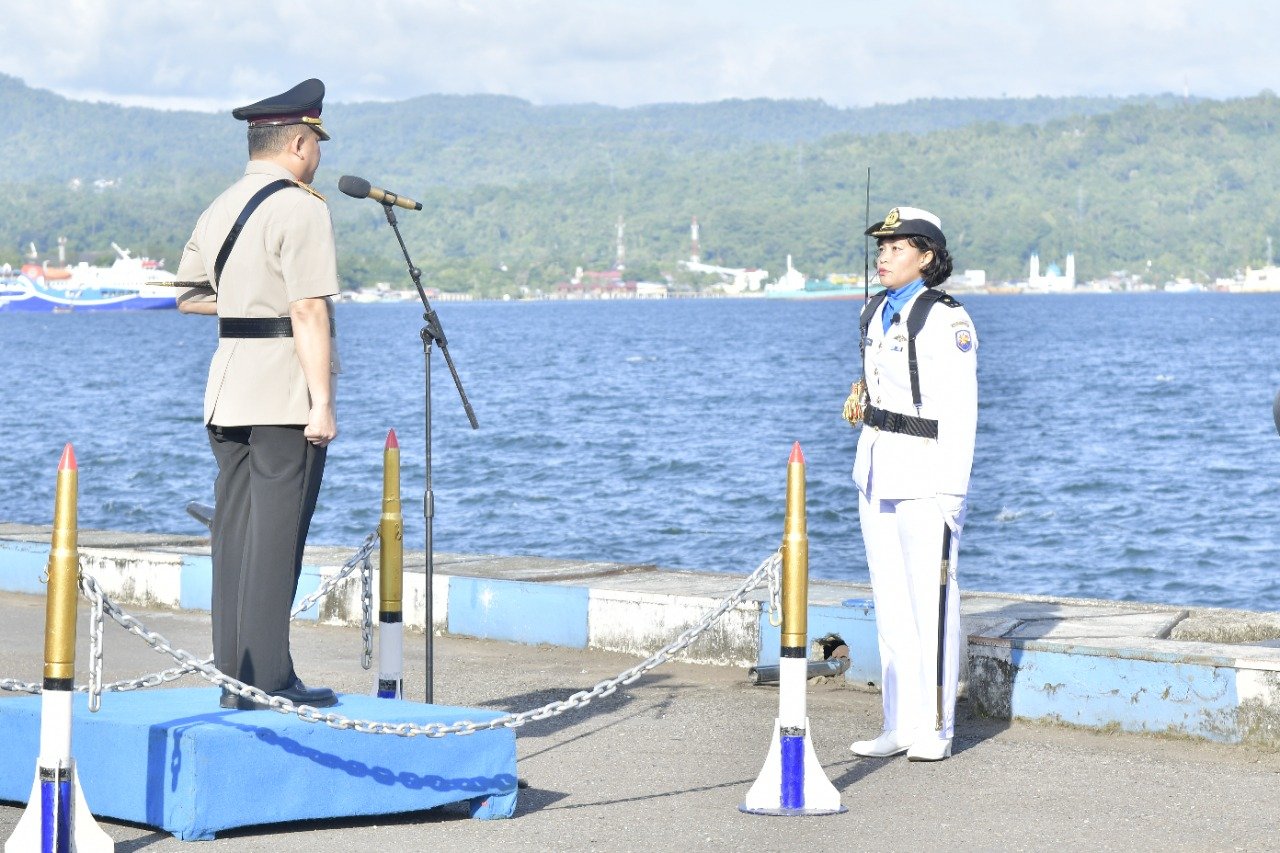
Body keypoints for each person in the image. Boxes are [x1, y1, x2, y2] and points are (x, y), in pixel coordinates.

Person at [176, 79, 341, 710]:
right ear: (298, 142)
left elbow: (188, 295)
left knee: (235, 536)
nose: (318, 154)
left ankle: (234, 678)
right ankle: (269, 679)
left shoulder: (220, 205)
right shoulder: (300, 207)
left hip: (227, 388)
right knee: (277, 537)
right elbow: (307, 309)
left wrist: (244, 303)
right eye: (317, 142)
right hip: (282, 394)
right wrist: (321, 401)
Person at [848, 206, 978, 761]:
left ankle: (937, 727)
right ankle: (898, 722)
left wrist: (953, 491)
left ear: (926, 257)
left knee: (933, 604)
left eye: (897, 248)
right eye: (881, 247)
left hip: (927, 474)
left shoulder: (946, 319)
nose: (884, 256)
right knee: (892, 604)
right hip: (878, 468)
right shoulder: (875, 311)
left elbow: (961, 409)